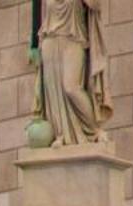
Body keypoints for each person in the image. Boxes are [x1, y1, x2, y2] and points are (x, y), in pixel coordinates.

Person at [36, 0, 112, 146]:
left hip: (74, 39)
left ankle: (94, 130)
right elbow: (44, 20)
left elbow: (95, 5)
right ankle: (62, 134)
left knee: (71, 88)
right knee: (53, 91)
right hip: (50, 40)